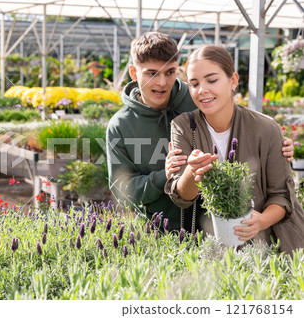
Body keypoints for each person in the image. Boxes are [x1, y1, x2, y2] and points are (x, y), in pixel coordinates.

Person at [106, 32, 295, 233]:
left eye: (169, 72)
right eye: (152, 73)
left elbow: (235, 121)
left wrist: (272, 142)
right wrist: (166, 176)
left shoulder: (197, 95)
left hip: (218, 229)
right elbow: (123, 191)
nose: (162, 82)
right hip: (162, 231)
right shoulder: (120, 125)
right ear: (134, 73)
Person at [165, 45, 303, 253]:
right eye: (194, 84)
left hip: (271, 244)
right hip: (217, 247)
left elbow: (282, 196)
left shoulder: (266, 128)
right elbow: (182, 197)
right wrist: (192, 172)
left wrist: (261, 221)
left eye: (212, 80)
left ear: (233, 80)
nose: (202, 90)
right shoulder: (183, 126)